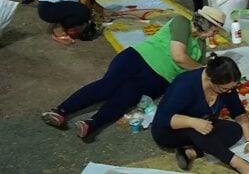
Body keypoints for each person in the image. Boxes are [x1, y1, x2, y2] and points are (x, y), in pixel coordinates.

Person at [41, 7, 225, 139]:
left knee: (125, 97)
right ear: (204, 24)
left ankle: (91, 124)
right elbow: (179, 57)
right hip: (138, 58)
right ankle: (61, 110)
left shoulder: (200, 46)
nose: (213, 35)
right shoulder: (182, 23)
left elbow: (196, 73)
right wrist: (204, 70)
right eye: (214, 30)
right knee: (107, 86)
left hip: (159, 79)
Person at [152, 54, 249, 173]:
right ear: (211, 80)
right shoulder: (185, 84)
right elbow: (162, 120)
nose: (229, 91)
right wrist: (192, 122)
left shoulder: (226, 87)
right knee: (198, 131)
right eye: (224, 89)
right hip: (169, 131)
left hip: (202, 124)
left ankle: (191, 152)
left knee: (234, 130)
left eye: (232, 88)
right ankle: (239, 164)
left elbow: (239, 114)